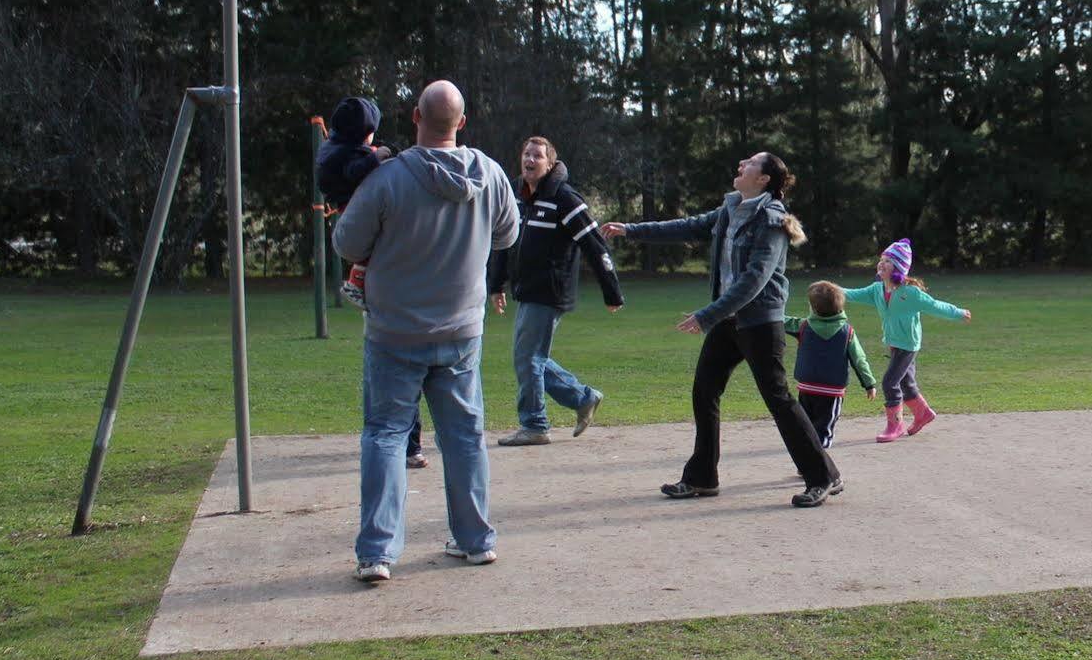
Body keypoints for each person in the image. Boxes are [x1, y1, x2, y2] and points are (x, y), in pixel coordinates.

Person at [332, 80, 519, 581]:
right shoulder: (492, 174)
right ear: (462, 122)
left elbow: (348, 244)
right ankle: (476, 540)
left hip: (394, 332)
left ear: (416, 115)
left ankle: (377, 553)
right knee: (463, 437)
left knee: (386, 436)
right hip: (460, 331)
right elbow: (508, 234)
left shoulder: (387, 178)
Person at [601, 152, 842, 508]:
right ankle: (701, 478)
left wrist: (707, 315)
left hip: (760, 322)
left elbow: (754, 280)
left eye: (751, 163)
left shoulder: (772, 221)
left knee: (779, 400)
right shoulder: (730, 209)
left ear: (763, 180)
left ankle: (824, 477)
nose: (741, 164)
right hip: (728, 321)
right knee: (704, 392)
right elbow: (687, 226)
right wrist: (631, 230)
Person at [487, 136, 623, 446]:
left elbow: (594, 244)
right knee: (530, 357)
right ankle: (582, 397)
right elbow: (503, 244)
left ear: (550, 164)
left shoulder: (565, 198)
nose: (530, 160)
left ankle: (535, 425)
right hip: (528, 289)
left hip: (550, 289)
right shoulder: (517, 197)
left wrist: (611, 291)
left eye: (537, 156)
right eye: (526, 154)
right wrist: (495, 285)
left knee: (528, 357)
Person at [315, 97, 427, 470]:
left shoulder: (336, 146)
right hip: (349, 209)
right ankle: (359, 277)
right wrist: (379, 156)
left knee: (391, 372)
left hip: (353, 214)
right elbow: (356, 170)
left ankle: (404, 444)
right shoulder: (346, 156)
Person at [839, 239, 971, 443]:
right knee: (906, 383)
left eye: (888, 261)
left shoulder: (910, 294)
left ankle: (895, 425)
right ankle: (923, 413)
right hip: (894, 343)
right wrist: (832, 289)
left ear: (899, 268)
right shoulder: (877, 290)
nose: (881, 263)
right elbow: (852, 294)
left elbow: (936, 306)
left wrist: (959, 313)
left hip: (908, 345)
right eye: (881, 259)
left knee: (890, 382)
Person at [784, 280, 878, 449]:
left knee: (806, 427)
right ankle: (818, 464)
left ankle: (807, 461)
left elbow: (779, 320)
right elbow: (859, 359)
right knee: (823, 430)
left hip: (807, 388)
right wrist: (869, 383)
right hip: (832, 392)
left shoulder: (802, 326)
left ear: (813, 308)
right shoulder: (847, 332)